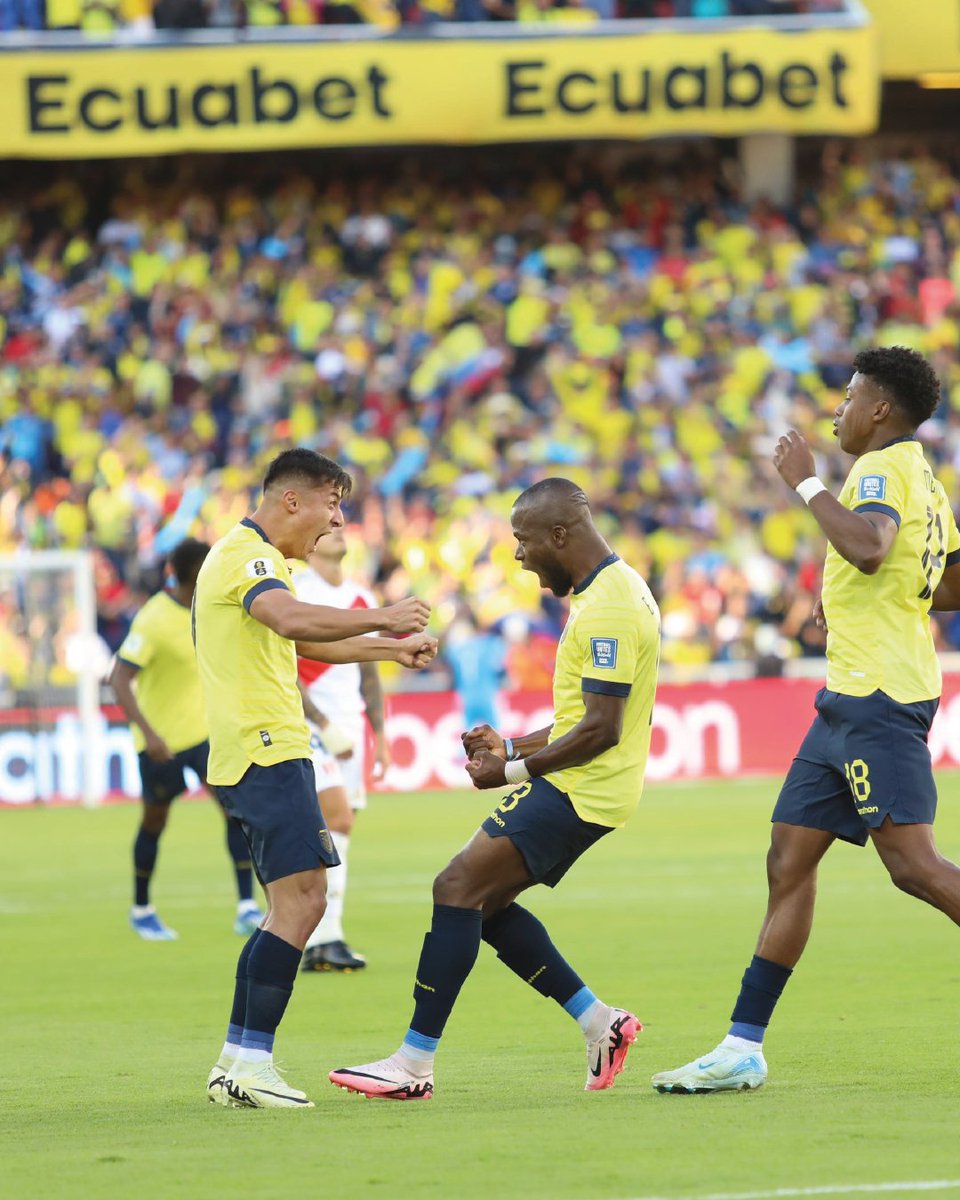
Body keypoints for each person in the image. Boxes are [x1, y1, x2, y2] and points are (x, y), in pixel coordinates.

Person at [652, 346, 960, 1095]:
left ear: (880, 409)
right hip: (847, 699)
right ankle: (742, 1047)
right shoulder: (925, 478)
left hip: (878, 700)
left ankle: (742, 1045)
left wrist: (806, 482)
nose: (838, 409)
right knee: (788, 861)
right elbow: (942, 581)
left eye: (849, 396)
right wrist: (860, 598)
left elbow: (868, 545)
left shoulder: (882, 470)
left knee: (914, 867)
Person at [329, 477, 660, 1100]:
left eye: (523, 539)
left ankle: (413, 1066)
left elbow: (601, 729)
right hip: (585, 782)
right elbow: (580, 717)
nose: (518, 555)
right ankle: (601, 1023)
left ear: (559, 535)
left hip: (583, 789)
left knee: (455, 888)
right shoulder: (610, 590)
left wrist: (509, 772)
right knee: (482, 903)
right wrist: (510, 746)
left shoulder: (610, 606)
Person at [195, 448, 437, 1110]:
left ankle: (238, 1061)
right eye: (332, 504)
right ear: (291, 500)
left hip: (263, 750)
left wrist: (389, 649)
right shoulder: (251, 558)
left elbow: (301, 642)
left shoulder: (259, 562)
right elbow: (294, 621)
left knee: (290, 905)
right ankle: (250, 1064)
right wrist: (385, 617)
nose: (335, 522)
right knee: (304, 903)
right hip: (266, 748)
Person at [110, 538, 264, 941]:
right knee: (155, 820)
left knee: (236, 812)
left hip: (207, 736)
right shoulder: (153, 619)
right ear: (195, 572)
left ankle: (247, 906)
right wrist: (149, 734)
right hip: (163, 742)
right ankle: (142, 908)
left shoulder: (211, 608)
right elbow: (119, 678)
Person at [291, 528, 391, 972]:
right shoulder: (296, 589)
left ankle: (320, 937)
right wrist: (323, 723)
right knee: (338, 819)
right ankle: (323, 935)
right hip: (308, 724)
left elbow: (370, 674)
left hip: (351, 729)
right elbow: (283, 665)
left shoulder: (360, 597)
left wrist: (381, 735)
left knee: (336, 836)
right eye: (328, 524)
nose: (337, 529)